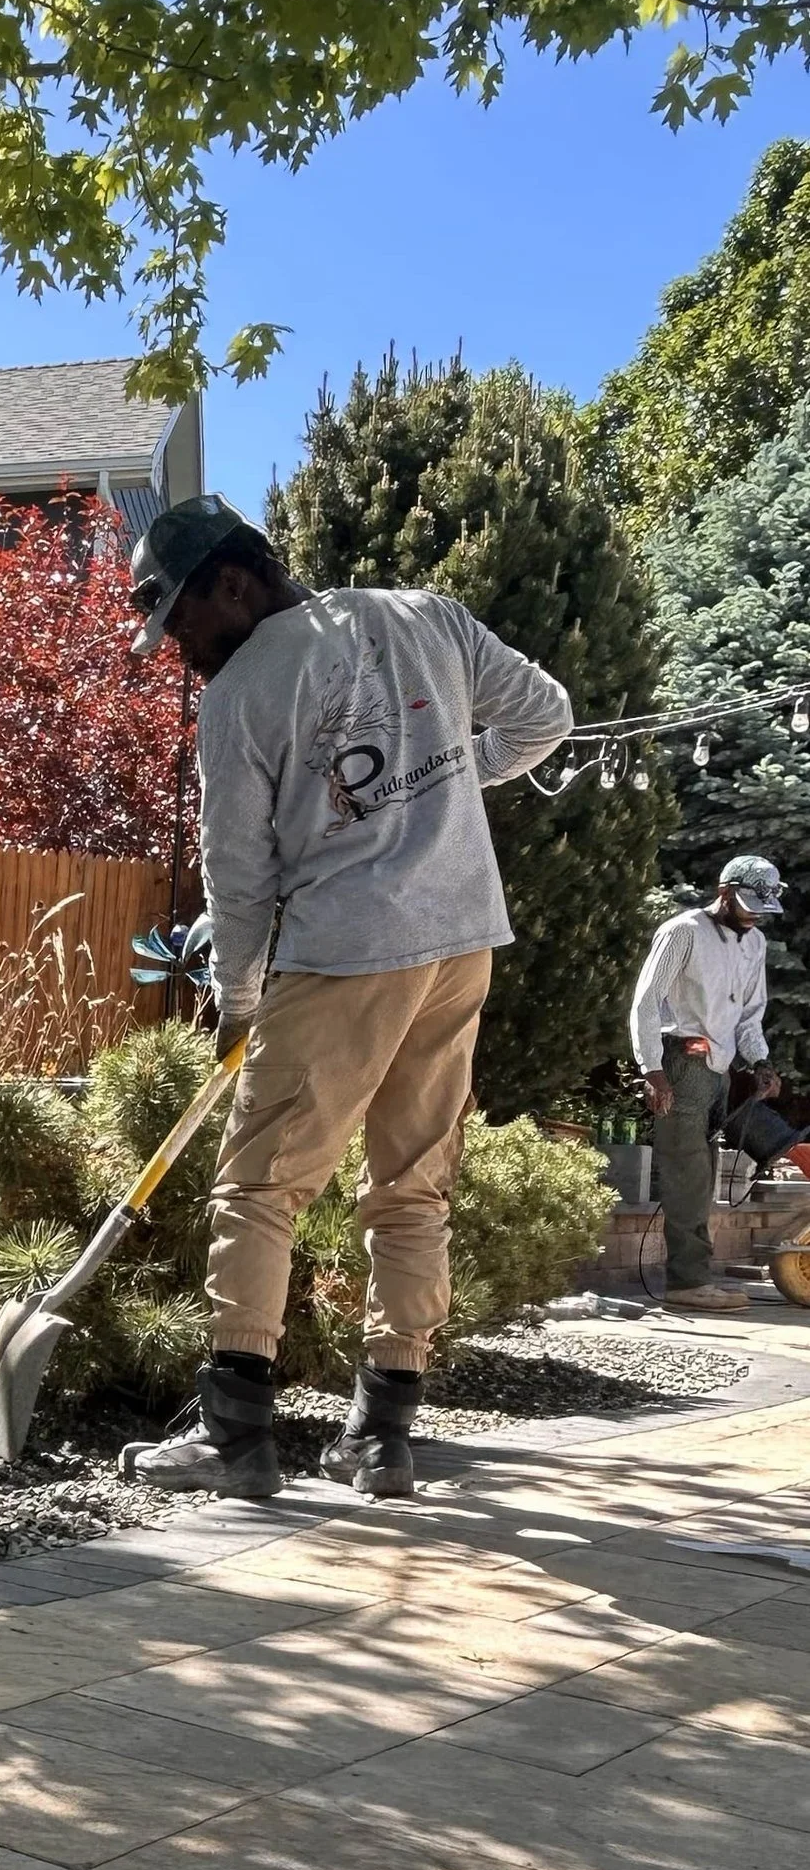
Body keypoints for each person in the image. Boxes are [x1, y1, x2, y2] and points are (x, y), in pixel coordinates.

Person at [114, 495, 574, 1501]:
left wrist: (237, 1000)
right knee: (412, 1189)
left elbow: (238, 876)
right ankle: (381, 1439)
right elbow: (546, 717)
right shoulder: (429, 617)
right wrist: (450, 789)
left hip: (341, 956)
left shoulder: (238, 695)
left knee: (258, 1187)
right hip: (457, 946)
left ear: (234, 582)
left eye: (181, 618)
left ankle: (234, 1435)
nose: (177, 645)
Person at [628, 856, 787, 1311]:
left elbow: (750, 1013)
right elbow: (646, 1002)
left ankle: (697, 1276)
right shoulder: (684, 931)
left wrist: (760, 1062)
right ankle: (687, 1283)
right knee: (687, 1177)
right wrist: (652, 1071)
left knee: (706, 1177)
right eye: (748, 904)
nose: (755, 914)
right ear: (724, 892)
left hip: (719, 1071)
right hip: (679, 1063)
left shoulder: (753, 942)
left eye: (763, 907)